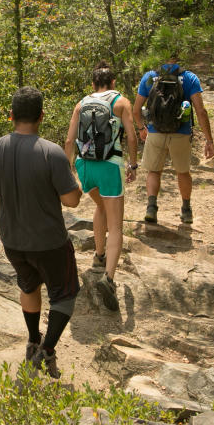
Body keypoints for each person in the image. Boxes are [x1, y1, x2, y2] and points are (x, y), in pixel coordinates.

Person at [0, 87, 82, 378]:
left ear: (11, 116)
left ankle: (32, 340)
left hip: (13, 242)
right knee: (64, 295)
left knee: (28, 286)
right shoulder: (51, 152)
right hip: (50, 242)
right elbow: (71, 200)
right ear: (41, 116)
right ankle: (46, 351)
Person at [65, 63, 138, 312]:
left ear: (93, 84)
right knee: (116, 225)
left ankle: (99, 255)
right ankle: (108, 279)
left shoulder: (81, 103)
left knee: (100, 206)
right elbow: (131, 135)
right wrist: (133, 164)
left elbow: (68, 139)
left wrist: (68, 172)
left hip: (84, 165)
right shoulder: (121, 102)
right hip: (108, 165)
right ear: (113, 82)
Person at [132, 58, 214, 225]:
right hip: (181, 133)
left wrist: (142, 129)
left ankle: (151, 208)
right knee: (183, 172)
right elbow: (201, 111)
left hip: (155, 132)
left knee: (154, 171)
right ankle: (186, 211)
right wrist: (209, 140)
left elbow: (136, 110)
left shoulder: (150, 77)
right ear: (178, 57)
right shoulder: (190, 78)